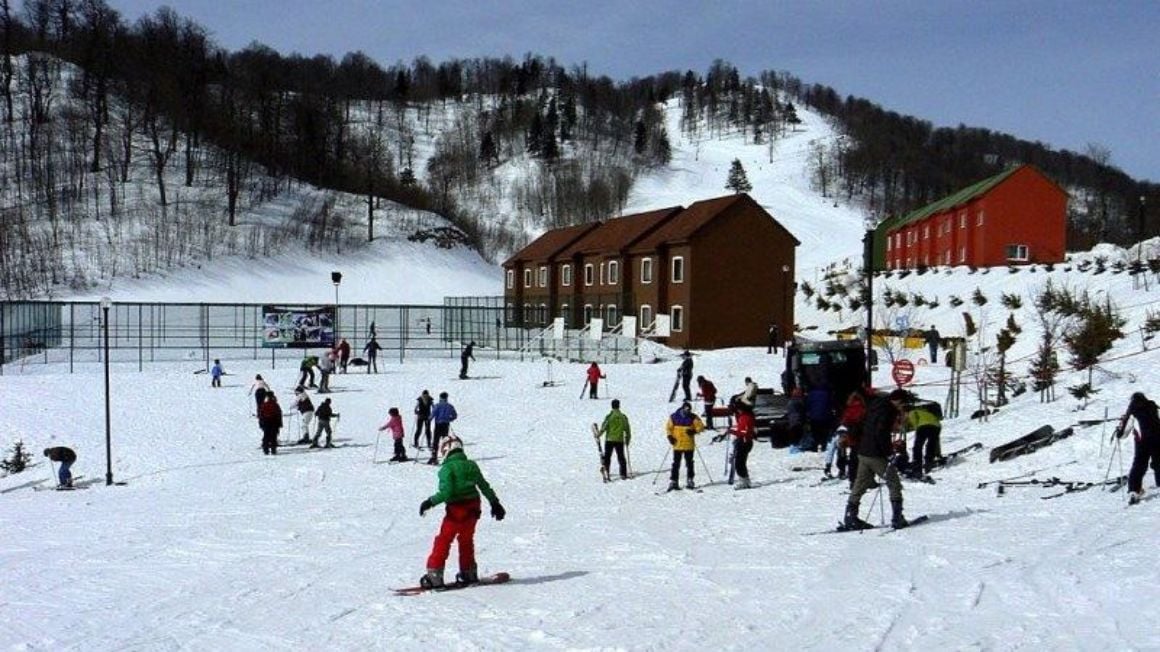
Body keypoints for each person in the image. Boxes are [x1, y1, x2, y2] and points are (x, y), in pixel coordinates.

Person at [418, 435, 505, 589]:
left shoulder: (447, 469)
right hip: (473, 508)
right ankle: (468, 572)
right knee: (466, 540)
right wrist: (494, 503)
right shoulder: (471, 465)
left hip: (456, 510)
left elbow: (448, 492)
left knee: (444, 540)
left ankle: (434, 575)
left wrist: (429, 502)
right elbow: (483, 486)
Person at [843, 389, 910, 530]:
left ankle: (850, 517)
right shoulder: (888, 411)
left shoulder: (875, 406)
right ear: (898, 401)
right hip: (876, 454)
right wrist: (888, 452)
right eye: (902, 404)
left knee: (860, 484)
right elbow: (881, 433)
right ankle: (897, 518)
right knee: (894, 483)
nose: (902, 407)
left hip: (863, 451)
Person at [1119, 392, 1160, 505]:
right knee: (1158, 461)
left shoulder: (1132, 411)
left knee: (1139, 464)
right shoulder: (1152, 406)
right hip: (1157, 438)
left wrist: (1119, 433)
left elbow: (1124, 432)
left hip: (1142, 442)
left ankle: (1134, 490)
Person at [665, 401, 706, 491]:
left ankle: (690, 479)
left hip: (688, 445)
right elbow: (668, 427)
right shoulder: (674, 416)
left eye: (688, 410)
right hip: (677, 444)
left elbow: (701, 426)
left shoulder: (693, 417)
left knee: (689, 463)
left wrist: (694, 431)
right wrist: (670, 436)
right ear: (682, 408)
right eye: (686, 410)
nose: (687, 412)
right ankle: (674, 481)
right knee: (676, 464)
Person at [904, 402, 942, 479]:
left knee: (918, 447)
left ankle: (917, 467)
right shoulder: (923, 411)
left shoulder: (912, 412)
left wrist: (916, 428)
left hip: (923, 426)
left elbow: (915, 424)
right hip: (936, 426)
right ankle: (929, 461)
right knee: (931, 444)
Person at [598, 399, 632, 480]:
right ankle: (623, 474)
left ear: (612, 406)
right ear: (619, 406)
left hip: (609, 439)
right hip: (619, 440)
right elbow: (627, 429)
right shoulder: (623, 417)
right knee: (621, 457)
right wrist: (627, 440)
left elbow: (604, 426)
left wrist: (599, 434)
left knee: (607, 457)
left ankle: (607, 471)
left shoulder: (609, 416)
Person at [727, 399, 756, 489]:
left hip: (744, 441)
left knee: (739, 463)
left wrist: (733, 432)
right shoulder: (743, 416)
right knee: (741, 462)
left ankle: (743, 480)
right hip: (743, 441)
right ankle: (745, 480)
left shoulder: (746, 417)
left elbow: (744, 432)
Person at [428, 392, 458, 464]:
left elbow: (433, 415)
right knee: (445, 442)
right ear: (446, 398)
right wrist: (449, 419)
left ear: (440, 397)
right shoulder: (450, 406)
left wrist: (428, 420)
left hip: (438, 425)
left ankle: (434, 458)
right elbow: (454, 415)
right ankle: (446, 457)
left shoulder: (437, 406)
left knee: (435, 442)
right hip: (445, 425)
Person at [803, 384, 834, 452]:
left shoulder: (811, 394)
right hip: (825, 416)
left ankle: (815, 446)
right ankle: (823, 445)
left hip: (814, 416)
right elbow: (831, 404)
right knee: (824, 432)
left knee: (815, 431)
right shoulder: (828, 394)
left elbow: (808, 404)